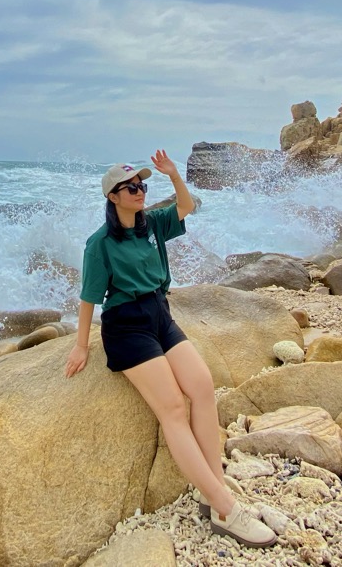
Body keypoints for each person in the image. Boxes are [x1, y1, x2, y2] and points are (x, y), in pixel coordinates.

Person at [64, 150, 276, 548]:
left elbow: (187, 206)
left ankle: (213, 491)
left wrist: (175, 174)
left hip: (160, 314)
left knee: (203, 386)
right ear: (113, 196)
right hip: (126, 326)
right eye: (131, 187)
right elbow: (90, 297)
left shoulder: (152, 223)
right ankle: (227, 508)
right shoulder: (101, 243)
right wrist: (80, 345)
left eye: (142, 185)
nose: (140, 191)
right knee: (174, 409)